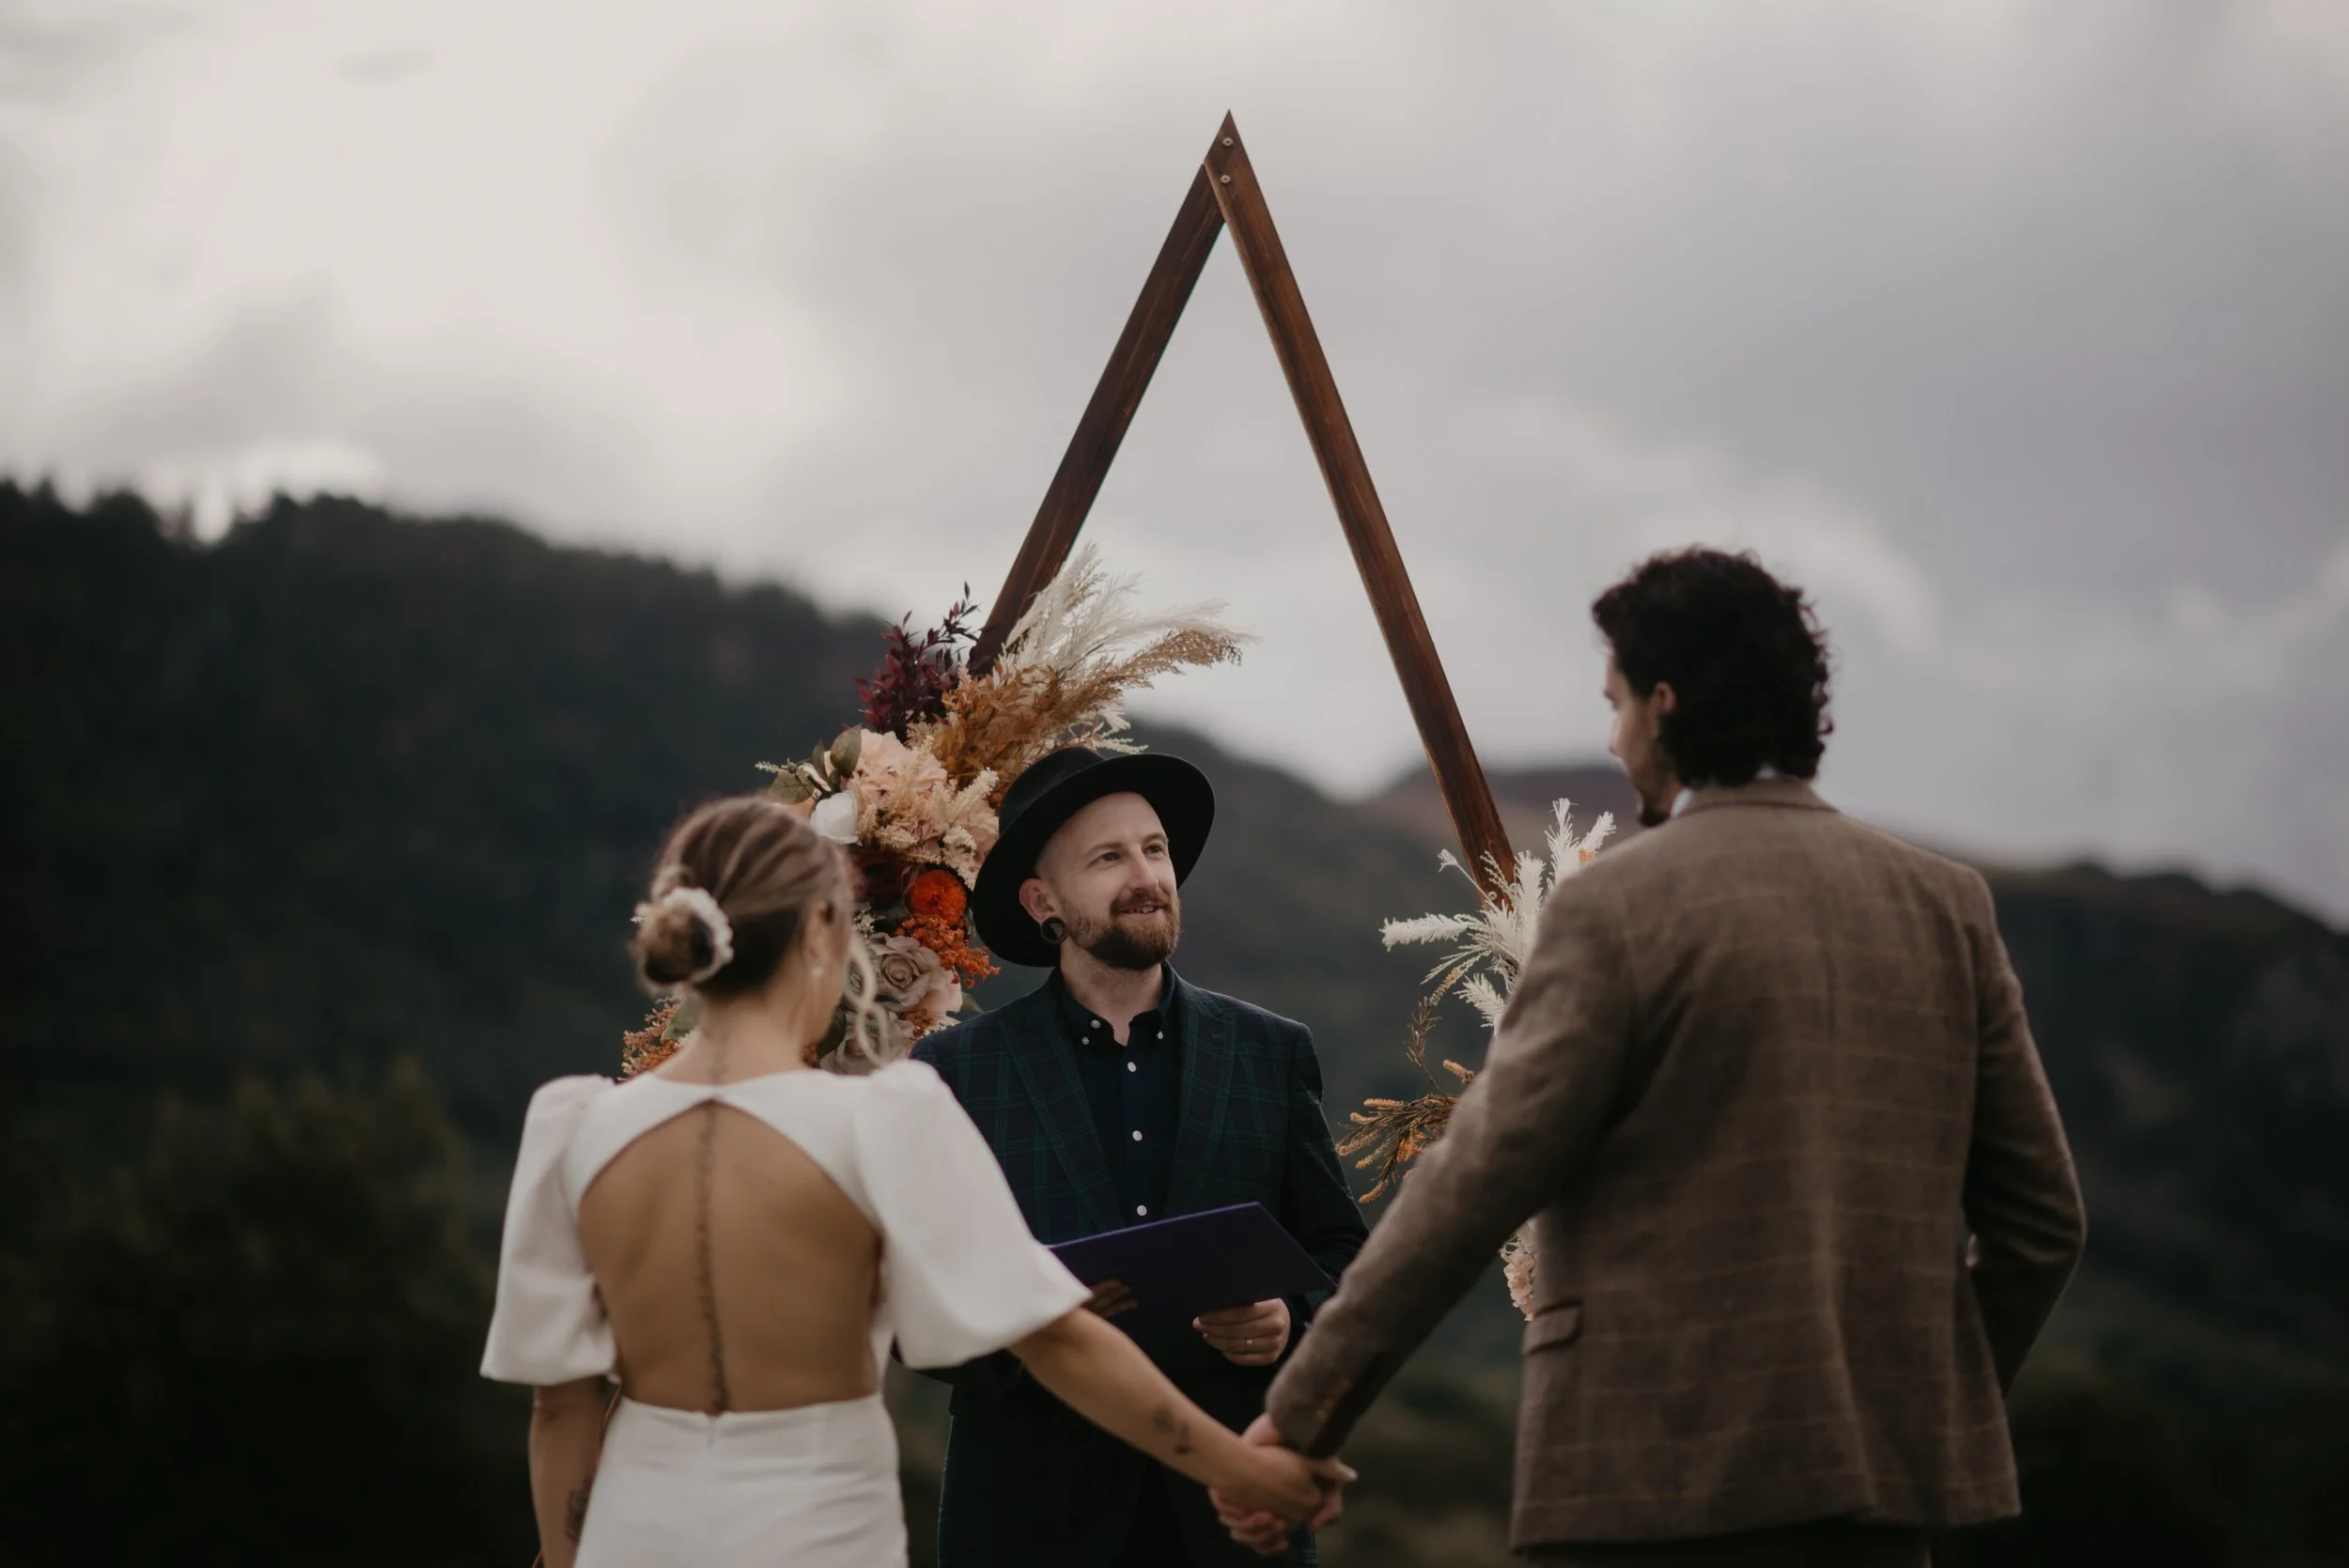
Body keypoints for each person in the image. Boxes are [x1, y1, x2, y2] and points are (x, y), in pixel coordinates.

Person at [1228, 549, 2088, 1566]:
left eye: (1617, 702)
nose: (1613, 734)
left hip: (1646, 1484)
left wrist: (1301, 1417)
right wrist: (1916, 1404)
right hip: (1874, 1500)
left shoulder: (1619, 906)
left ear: (1666, 704)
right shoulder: (1946, 906)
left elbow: (1473, 1186)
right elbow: (2041, 1223)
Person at [478, 795, 1350, 1568]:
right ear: (825, 932)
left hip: (632, 1533)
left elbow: (559, 1408)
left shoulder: (572, 1125)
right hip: (817, 1535)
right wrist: (1248, 1470)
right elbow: (1052, 1339)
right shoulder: (885, 1116)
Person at [911, 746, 1371, 1567]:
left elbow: (1344, 1254)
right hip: (1028, 1523)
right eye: (1108, 857)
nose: (1146, 875)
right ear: (1041, 900)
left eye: (1154, 848)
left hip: (1234, 1526)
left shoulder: (1271, 1051)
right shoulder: (954, 1071)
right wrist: (1032, 1331)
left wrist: (1289, 1315)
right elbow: (912, 1308)